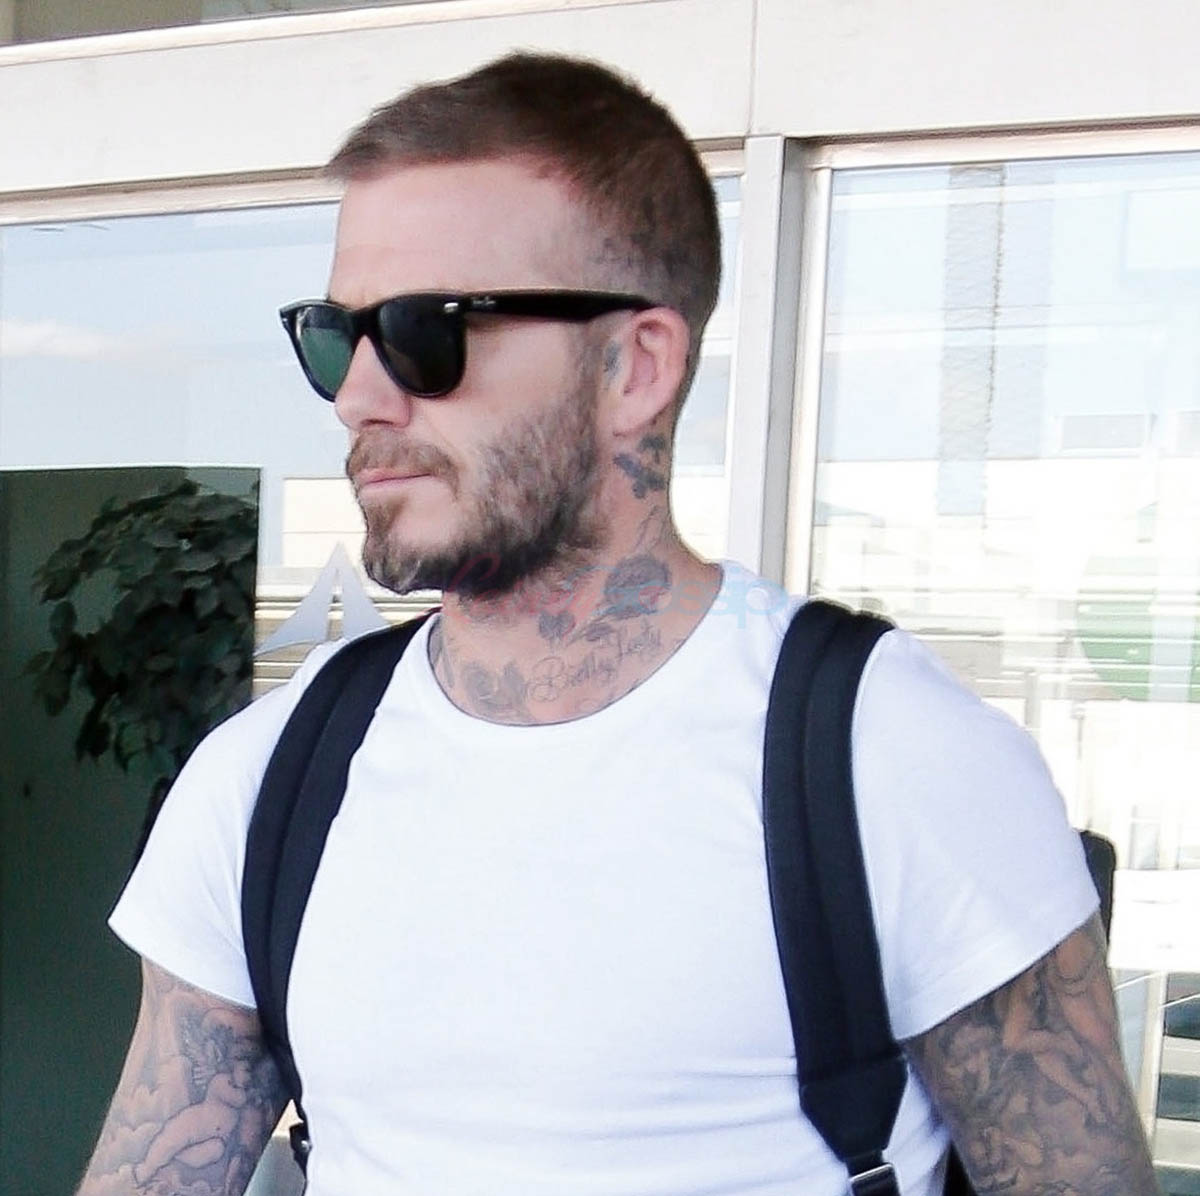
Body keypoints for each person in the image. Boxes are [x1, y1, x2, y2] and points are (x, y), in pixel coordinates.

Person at [77, 52, 1158, 1196]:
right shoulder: (266, 782)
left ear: (636, 366)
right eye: (335, 335)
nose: (357, 397)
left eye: (424, 331)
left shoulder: (891, 760)